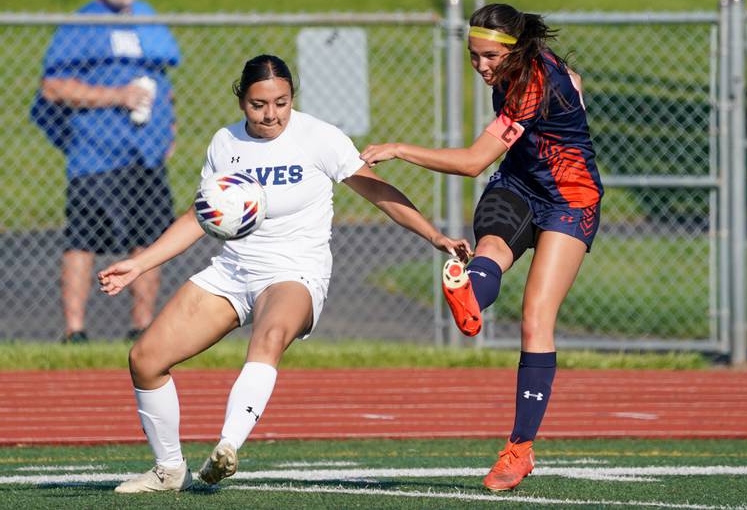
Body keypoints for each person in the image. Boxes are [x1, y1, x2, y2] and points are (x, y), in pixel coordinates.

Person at [99, 54, 471, 493]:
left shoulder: (319, 137)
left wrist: (434, 236)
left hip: (296, 270)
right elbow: (201, 215)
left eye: (281, 102)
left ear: (292, 97)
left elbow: (377, 191)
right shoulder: (225, 143)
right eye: (259, 105)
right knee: (145, 359)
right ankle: (168, 470)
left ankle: (227, 447)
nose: (271, 114)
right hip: (234, 270)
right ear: (242, 101)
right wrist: (139, 264)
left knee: (270, 336)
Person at [360, 3, 603, 491]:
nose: (482, 66)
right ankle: (470, 292)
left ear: (514, 49)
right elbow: (572, 78)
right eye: (474, 56)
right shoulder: (529, 66)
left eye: (490, 56)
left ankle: (519, 451)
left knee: (536, 316)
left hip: (570, 200)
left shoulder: (532, 84)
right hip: (518, 184)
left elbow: (473, 162)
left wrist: (400, 149)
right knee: (490, 244)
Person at [31, 0, 180, 343]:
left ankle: (142, 327)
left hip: (146, 155)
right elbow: (53, 87)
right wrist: (117, 96)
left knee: (149, 237)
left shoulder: (148, 18)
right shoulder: (82, 23)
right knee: (83, 241)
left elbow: (164, 83)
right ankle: (75, 331)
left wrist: (169, 128)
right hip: (96, 155)